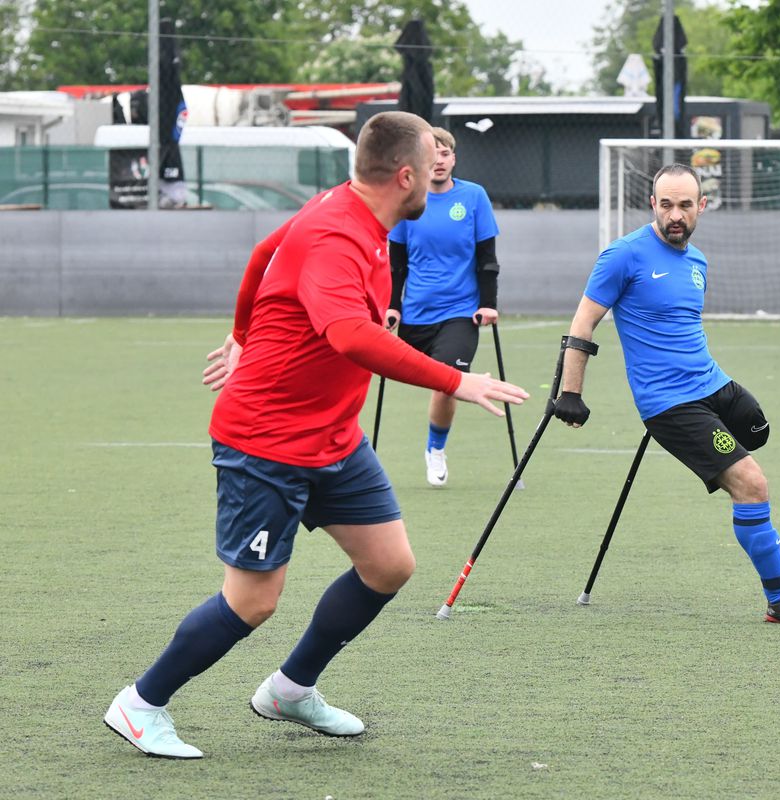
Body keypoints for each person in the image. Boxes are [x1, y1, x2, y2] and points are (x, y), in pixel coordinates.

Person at [103, 111, 528, 760]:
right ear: (407, 176)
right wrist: (457, 381)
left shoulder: (358, 212)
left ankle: (291, 688)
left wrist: (244, 334)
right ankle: (141, 703)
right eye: (432, 168)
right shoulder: (338, 231)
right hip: (265, 440)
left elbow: (263, 254)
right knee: (253, 600)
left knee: (389, 565)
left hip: (331, 436)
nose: (443, 177)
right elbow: (351, 335)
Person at [552, 163, 780, 627]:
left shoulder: (698, 261)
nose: (675, 215)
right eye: (666, 205)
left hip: (712, 384)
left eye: (685, 205)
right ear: (653, 205)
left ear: (701, 206)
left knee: (758, 431)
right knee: (752, 483)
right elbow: (582, 324)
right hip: (670, 404)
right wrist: (570, 392)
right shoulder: (622, 256)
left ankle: (764, 557)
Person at [386, 127, 500, 488]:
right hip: (416, 313)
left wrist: (488, 304)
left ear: (454, 158)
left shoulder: (473, 197)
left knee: (447, 380)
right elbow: (396, 263)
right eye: (431, 154)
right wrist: (392, 306)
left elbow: (487, 259)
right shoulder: (407, 200)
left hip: (459, 313)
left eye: (445, 153)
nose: (438, 160)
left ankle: (435, 450)